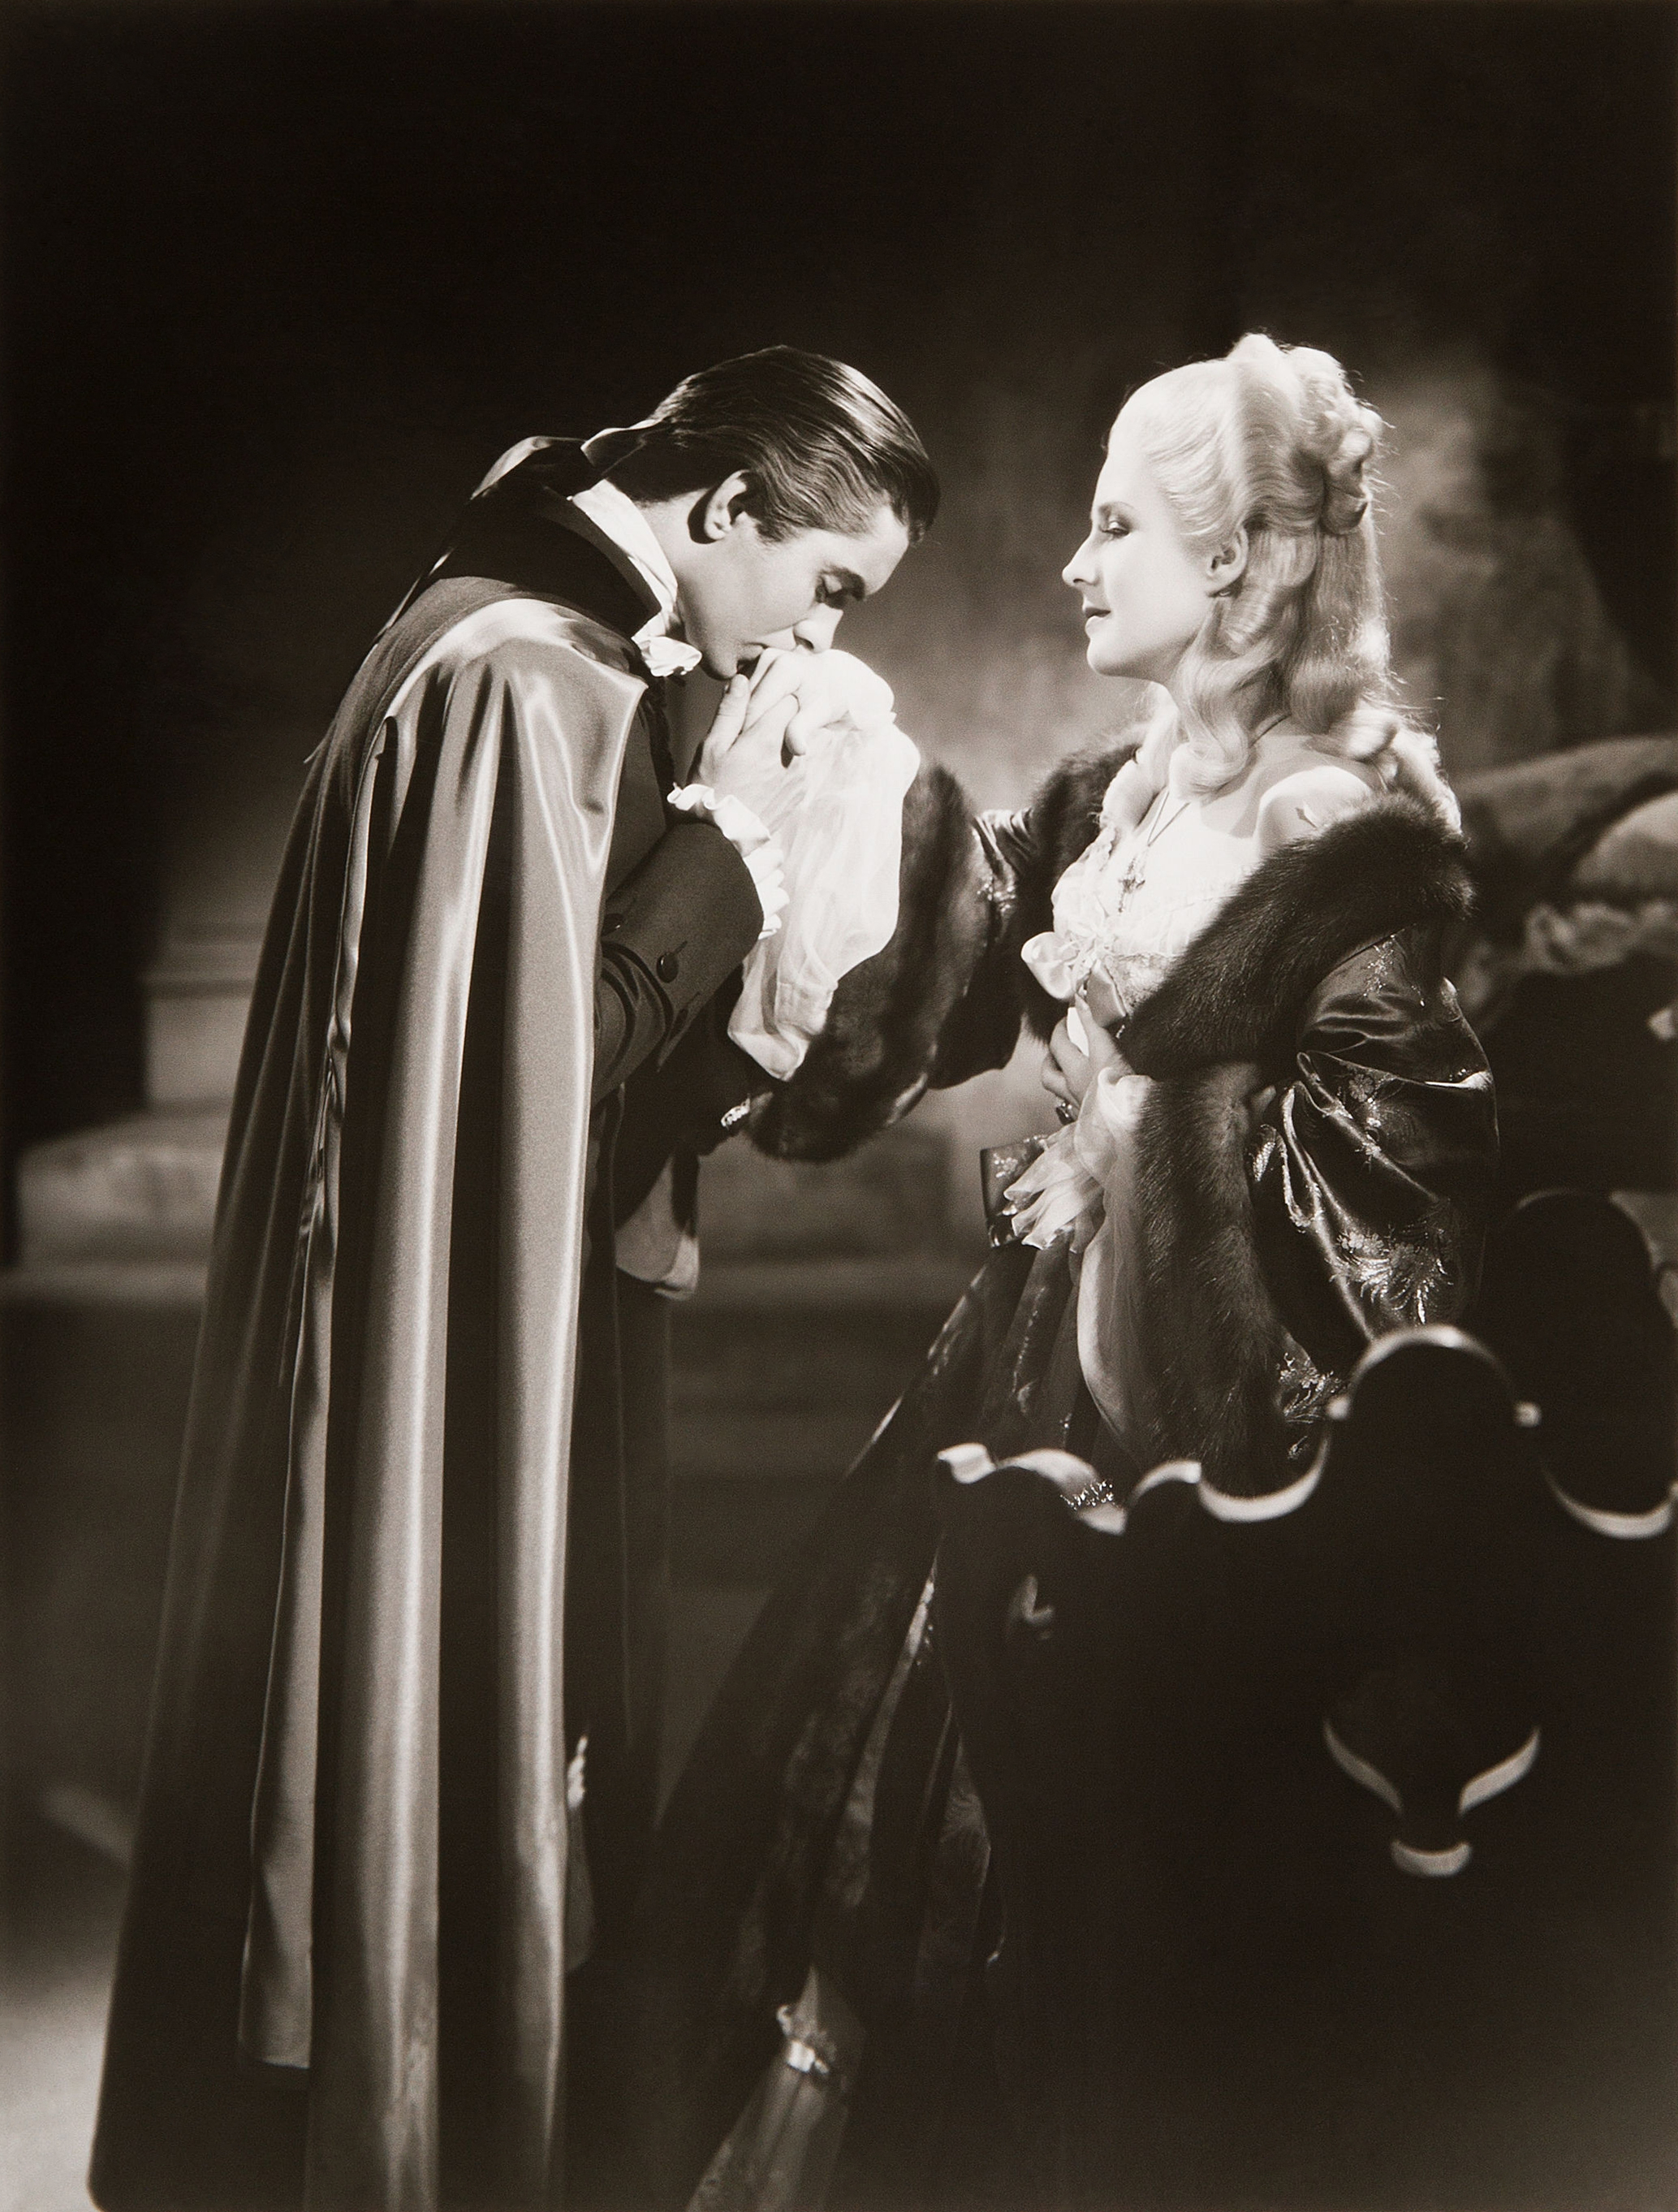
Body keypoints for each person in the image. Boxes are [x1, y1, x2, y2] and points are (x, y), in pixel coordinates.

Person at [605, 334, 1499, 2210]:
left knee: (1087, 1868)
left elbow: (1385, 1231)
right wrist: (834, 797)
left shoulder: (1358, 853)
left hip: (1193, 1420)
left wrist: (1153, 1129)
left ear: (1233, 562)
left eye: (1113, 528)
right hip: (1021, 1362)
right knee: (876, 1803)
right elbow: (933, 967)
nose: (1075, 568)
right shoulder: (1116, 793)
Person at [89, 347, 937, 2212]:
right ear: (729, 505)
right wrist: (733, 845)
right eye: (826, 584)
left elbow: (559, 1063)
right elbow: (545, 1073)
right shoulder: (526, 677)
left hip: (483, 1283)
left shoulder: (505, 630)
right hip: (471, 1325)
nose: (814, 635)